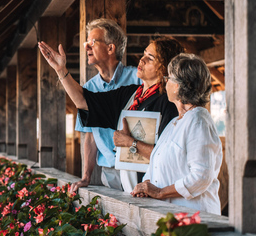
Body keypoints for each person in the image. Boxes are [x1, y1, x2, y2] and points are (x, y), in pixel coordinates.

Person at [39, 36, 184, 192]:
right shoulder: (130, 95)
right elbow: (85, 101)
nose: (141, 60)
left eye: (150, 58)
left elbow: (170, 157)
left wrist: (130, 143)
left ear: (165, 67)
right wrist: (61, 71)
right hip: (130, 189)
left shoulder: (170, 104)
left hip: (157, 191)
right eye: (144, 54)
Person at [40, 18, 140, 190]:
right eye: (87, 42)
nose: (86, 47)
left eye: (92, 42)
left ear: (110, 48)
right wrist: (86, 176)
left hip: (140, 166)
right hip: (110, 170)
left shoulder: (137, 78)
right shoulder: (88, 89)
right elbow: (90, 137)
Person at [130, 54, 222, 214]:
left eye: (169, 78)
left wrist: (160, 192)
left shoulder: (198, 120)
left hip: (195, 218)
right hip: (172, 217)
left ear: (181, 85)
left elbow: (201, 176)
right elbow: (156, 168)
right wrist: (145, 186)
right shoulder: (174, 123)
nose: (165, 81)